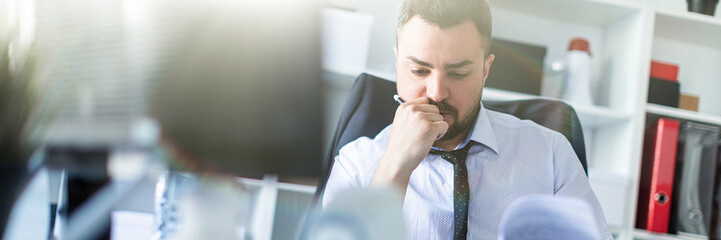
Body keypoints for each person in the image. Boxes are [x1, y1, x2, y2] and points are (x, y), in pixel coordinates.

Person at [322, 0, 614, 239]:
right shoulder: (356, 165)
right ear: (398, 62)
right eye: (419, 71)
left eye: (458, 73)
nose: (436, 92)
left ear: (486, 70)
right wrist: (394, 169)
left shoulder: (551, 156)